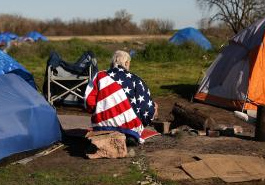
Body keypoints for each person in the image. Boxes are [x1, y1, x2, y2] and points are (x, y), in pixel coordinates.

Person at [84, 50, 158, 144]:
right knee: (153, 105)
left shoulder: (99, 76)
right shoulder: (136, 79)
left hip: (101, 125)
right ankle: (129, 135)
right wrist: (153, 110)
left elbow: (88, 102)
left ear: (112, 63)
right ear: (127, 63)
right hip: (129, 127)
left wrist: (99, 112)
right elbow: (145, 108)